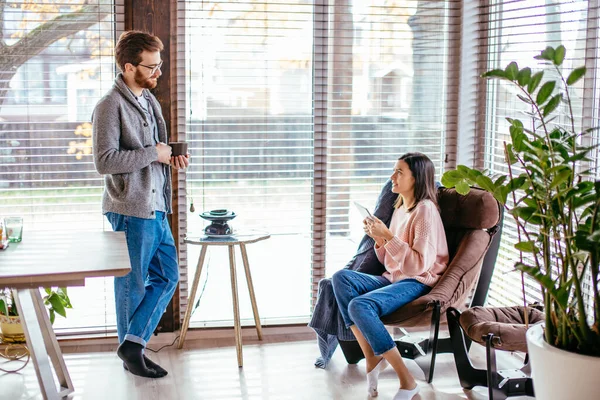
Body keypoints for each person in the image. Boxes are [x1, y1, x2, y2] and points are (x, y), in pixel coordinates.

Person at [92, 31, 189, 379]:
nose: (158, 72)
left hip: (156, 206)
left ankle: (132, 344)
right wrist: (154, 154)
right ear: (129, 66)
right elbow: (104, 161)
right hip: (130, 209)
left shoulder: (149, 101)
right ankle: (132, 354)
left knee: (167, 276)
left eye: (159, 64)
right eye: (152, 66)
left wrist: (168, 158)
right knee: (131, 284)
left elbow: (152, 153)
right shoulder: (109, 105)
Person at [331, 153, 449, 400]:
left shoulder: (425, 211)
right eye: (393, 170)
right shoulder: (400, 207)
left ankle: (407, 381)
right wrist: (379, 238)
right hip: (394, 277)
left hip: (418, 282)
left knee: (360, 305)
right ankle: (371, 354)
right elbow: (389, 261)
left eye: (399, 172)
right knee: (340, 279)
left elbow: (417, 266)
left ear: (416, 179)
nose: (392, 177)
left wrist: (389, 237)